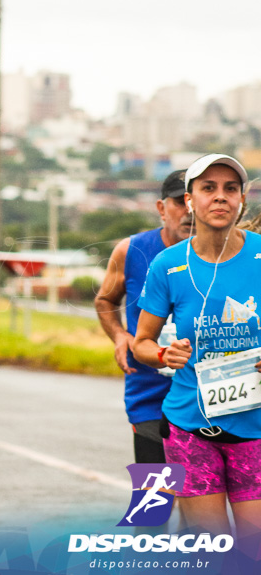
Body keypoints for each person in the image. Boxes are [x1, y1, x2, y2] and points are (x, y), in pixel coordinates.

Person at [132, 154, 261, 557]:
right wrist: (162, 354)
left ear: (242, 199)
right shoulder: (167, 265)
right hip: (191, 428)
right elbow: (142, 342)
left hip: (255, 427)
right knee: (212, 551)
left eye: (230, 189)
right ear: (190, 200)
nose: (220, 198)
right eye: (208, 189)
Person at [95, 170, 191, 464]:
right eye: (178, 202)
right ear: (161, 208)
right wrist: (119, 335)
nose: (188, 211)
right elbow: (105, 300)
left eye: (192, 201)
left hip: (207, 395)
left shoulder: (229, 255)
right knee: (154, 501)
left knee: (201, 500)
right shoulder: (131, 250)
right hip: (150, 394)